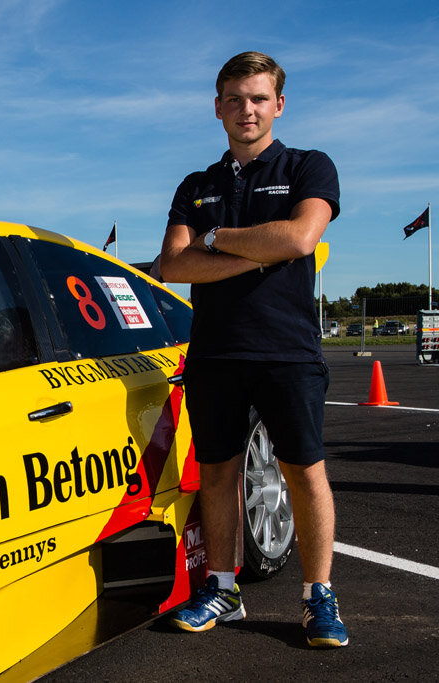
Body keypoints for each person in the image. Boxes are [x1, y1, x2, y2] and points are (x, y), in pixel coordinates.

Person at [159, 51, 348, 648]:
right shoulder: (197, 185)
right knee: (217, 474)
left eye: (259, 98)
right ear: (217, 108)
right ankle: (222, 589)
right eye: (235, 99)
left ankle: (318, 597)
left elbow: (300, 237)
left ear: (279, 105)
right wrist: (261, 252)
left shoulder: (309, 166)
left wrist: (215, 240)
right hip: (215, 354)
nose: (248, 109)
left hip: (287, 351)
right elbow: (173, 265)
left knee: (304, 473)